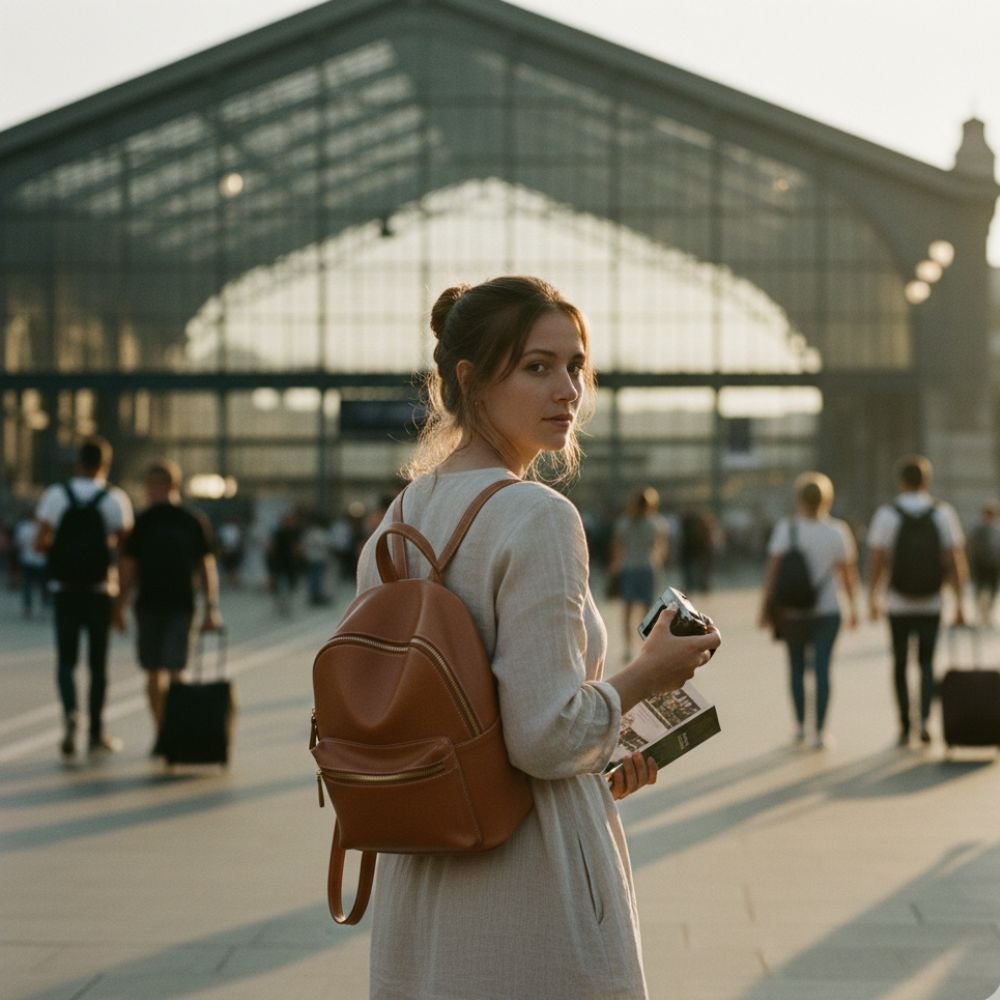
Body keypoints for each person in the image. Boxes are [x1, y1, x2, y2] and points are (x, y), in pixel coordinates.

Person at [354, 276, 721, 1000]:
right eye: (536, 366)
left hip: (420, 885)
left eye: (575, 366)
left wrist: (608, 747)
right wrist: (651, 674)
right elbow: (545, 736)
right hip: (527, 883)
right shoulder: (537, 515)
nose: (568, 390)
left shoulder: (401, 516)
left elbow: (460, 713)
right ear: (469, 380)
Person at [34, 436, 134, 757]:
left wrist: (63, 549)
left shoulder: (55, 495)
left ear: (78, 462)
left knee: (66, 660)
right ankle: (96, 732)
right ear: (105, 464)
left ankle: (70, 713)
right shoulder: (115, 498)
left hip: (64, 589)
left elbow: (39, 543)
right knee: (98, 664)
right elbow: (126, 549)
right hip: (100, 590)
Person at [114, 460, 222, 755]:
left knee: (174, 669)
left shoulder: (188, 520)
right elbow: (129, 567)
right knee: (154, 671)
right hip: (150, 604)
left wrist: (211, 607)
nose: (150, 491)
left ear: (170, 486)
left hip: (179, 605)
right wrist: (120, 606)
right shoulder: (146, 521)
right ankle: (163, 732)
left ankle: (175, 731)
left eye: (154, 485)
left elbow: (206, 565)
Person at [867, 454, 968, 746]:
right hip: (932, 601)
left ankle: (903, 724)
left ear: (901, 482)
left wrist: (873, 596)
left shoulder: (888, 514)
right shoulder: (943, 513)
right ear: (927, 481)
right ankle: (924, 721)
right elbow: (955, 559)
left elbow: (877, 558)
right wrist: (960, 602)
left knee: (899, 663)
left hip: (897, 602)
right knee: (926, 663)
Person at [759, 472, 859, 749]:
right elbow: (848, 574)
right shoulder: (838, 531)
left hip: (792, 612)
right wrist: (853, 607)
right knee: (824, 669)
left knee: (796, 668)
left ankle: (800, 726)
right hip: (828, 610)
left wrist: (765, 607)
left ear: (799, 499)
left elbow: (773, 572)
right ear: (828, 499)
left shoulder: (786, 529)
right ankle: (820, 732)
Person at [608, 486, 670, 661]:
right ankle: (646, 647)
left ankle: (628, 648)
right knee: (647, 613)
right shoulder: (656, 523)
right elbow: (661, 547)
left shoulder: (624, 522)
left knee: (627, 611)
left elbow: (616, 547)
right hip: (648, 568)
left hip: (629, 568)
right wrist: (658, 560)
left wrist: (614, 567)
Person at [967, 500, 1000, 626]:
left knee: (992, 590)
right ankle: (980, 613)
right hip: (980, 563)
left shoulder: (997, 529)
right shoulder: (977, 528)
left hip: (993, 564)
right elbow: (971, 545)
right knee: (979, 589)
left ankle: (988, 614)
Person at [14, 511, 49, 618]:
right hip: (41, 560)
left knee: (27, 585)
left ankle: (28, 608)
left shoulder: (24, 527)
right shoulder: (44, 527)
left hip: (27, 559)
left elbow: (18, 543)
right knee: (43, 586)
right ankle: (44, 607)